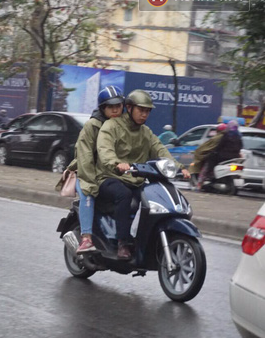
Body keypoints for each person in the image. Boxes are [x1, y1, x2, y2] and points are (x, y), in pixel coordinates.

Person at [95, 89, 190, 259]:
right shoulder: (112, 126)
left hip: (135, 180)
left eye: (147, 111)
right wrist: (117, 163)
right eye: (141, 110)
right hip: (109, 177)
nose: (144, 115)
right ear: (129, 108)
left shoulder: (146, 132)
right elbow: (105, 150)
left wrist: (178, 167)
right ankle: (123, 243)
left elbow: (160, 150)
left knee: (154, 198)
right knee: (123, 195)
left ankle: (143, 241)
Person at [68, 85, 125, 254]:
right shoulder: (92, 126)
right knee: (88, 193)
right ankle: (86, 239)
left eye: (118, 106)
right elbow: (84, 157)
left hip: (113, 174)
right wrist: (89, 180)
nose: (115, 110)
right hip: (89, 172)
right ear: (102, 108)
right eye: (111, 107)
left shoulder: (125, 126)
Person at [189, 123, 227, 188]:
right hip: (226, 157)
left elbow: (206, 147)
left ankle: (200, 182)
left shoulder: (217, 138)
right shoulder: (229, 137)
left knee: (205, 167)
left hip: (215, 156)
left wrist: (198, 151)